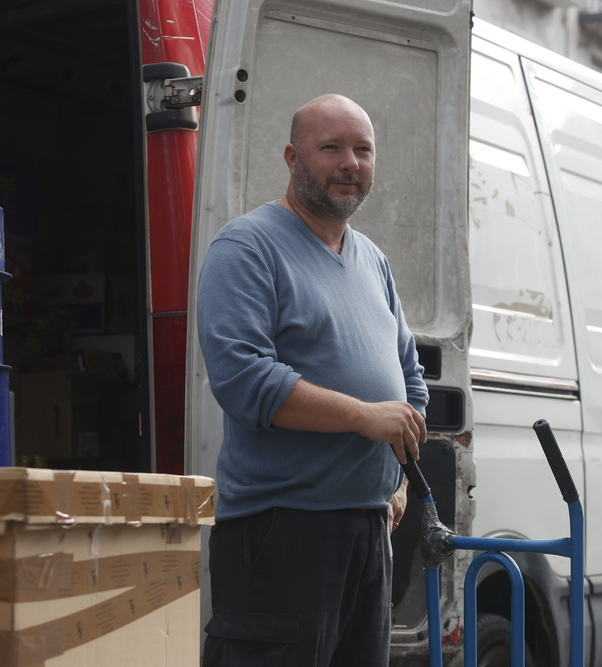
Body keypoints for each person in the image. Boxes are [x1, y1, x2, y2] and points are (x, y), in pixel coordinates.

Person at [197, 93, 429, 667]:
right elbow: (245, 379)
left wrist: (398, 483)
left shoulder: (373, 260)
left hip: (369, 530)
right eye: (331, 148)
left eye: (363, 150)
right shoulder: (246, 247)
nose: (350, 163)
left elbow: (410, 381)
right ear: (292, 158)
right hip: (282, 532)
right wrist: (363, 415)